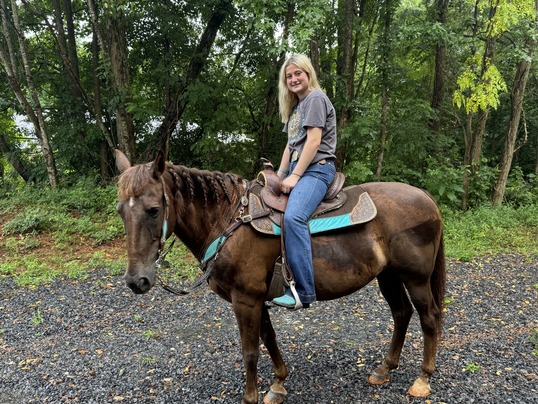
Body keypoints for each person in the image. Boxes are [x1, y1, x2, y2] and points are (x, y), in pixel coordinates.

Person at [271, 54, 337, 310]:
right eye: (289, 76)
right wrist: (279, 174)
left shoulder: (315, 99)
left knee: (293, 217)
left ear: (308, 74)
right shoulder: (296, 109)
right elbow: (290, 146)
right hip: (299, 170)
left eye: (298, 73)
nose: (294, 79)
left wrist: (295, 176)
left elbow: (313, 142)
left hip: (317, 170)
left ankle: (302, 290)